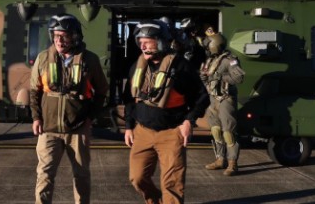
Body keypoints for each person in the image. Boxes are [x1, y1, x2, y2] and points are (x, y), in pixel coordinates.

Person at [123, 19, 210, 204]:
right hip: (143, 132)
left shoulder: (181, 67)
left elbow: (202, 97)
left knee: (172, 185)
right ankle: (155, 200)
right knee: (137, 179)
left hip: (172, 133)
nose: (142, 45)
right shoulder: (137, 66)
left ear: (161, 41)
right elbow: (130, 99)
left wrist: (189, 121)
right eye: (140, 41)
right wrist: (129, 127)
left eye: (147, 41)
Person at [29, 14, 109, 204]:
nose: (58, 40)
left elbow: (102, 91)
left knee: (81, 175)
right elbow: (34, 91)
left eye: (63, 36)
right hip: (48, 129)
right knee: (44, 174)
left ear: (75, 37)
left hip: (78, 128)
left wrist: (90, 118)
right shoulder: (43, 59)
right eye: (55, 35)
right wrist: (36, 118)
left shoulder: (89, 60)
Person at [200, 33, 245, 176]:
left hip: (226, 99)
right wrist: (204, 77)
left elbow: (239, 77)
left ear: (214, 45)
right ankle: (220, 159)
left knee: (228, 133)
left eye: (208, 45)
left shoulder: (230, 61)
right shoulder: (210, 60)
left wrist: (220, 76)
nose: (207, 47)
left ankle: (232, 163)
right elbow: (207, 79)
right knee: (216, 130)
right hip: (213, 99)